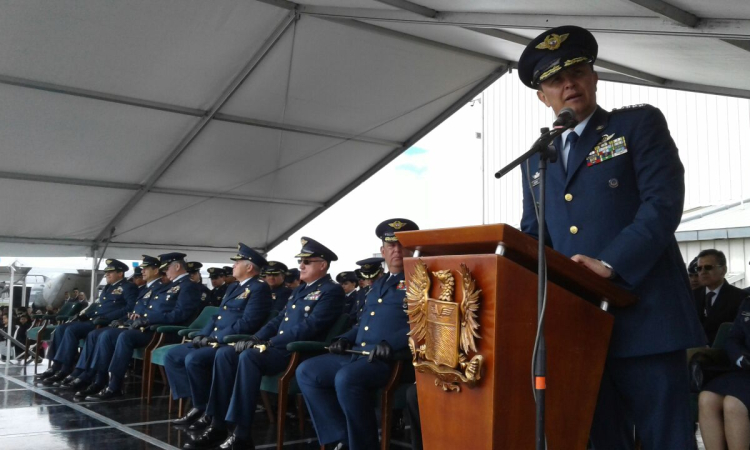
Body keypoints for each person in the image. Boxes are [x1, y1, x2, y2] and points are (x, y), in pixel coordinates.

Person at [517, 25, 705, 449]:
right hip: (580, 325)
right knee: (599, 439)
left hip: (646, 315)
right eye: (554, 80)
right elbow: (535, 236)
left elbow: (662, 203)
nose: (569, 84)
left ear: (594, 77)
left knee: (666, 438)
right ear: (541, 96)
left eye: (577, 71)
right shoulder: (537, 159)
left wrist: (611, 261)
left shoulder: (636, 125)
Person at [185, 237, 345, 450]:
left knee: (249, 357)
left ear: (323, 265)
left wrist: (269, 342)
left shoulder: (331, 291)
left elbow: (311, 327)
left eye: (307, 262)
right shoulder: (300, 290)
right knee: (225, 354)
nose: (301, 266)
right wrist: (255, 338)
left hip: (298, 351)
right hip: (277, 347)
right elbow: (278, 320)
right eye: (301, 261)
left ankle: (241, 435)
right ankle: (218, 424)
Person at [297, 219, 419, 450]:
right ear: (383, 251)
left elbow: (426, 324)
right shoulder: (378, 284)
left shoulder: (422, 280)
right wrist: (344, 338)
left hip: (391, 360)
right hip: (360, 353)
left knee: (347, 377)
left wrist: (391, 343)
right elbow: (364, 324)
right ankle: (342, 436)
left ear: (413, 248)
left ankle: (362, 445)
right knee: (308, 371)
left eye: (402, 244)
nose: (396, 250)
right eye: (390, 245)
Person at [166, 244, 272, 429]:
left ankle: (205, 409)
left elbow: (249, 322)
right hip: (214, 339)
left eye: (237, 262)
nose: (233, 266)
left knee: (194, 359)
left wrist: (218, 337)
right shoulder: (233, 288)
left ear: (249, 267)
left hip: (231, 343)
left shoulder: (259, 288)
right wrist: (202, 335)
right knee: (173, 356)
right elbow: (217, 316)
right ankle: (199, 404)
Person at [84, 252, 202, 401]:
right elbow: (153, 308)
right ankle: (99, 381)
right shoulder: (171, 285)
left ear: (177, 266)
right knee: (106, 334)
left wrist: (148, 319)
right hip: (148, 326)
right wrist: (137, 318)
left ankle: (115, 386)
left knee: (124, 336)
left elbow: (180, 314)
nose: (164, 272)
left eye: (166, 268)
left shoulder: (188, 286)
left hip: (164, 331)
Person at [57, 255, 165, 394]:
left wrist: (141, 320)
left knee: (107, 335)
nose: (142, 271)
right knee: (95, 334)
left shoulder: (160, 288)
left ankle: (113, 385)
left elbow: (153, 311)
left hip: (148, 330)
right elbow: (135, 311)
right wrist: (123, 321)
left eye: (146, 269)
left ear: (156, 270)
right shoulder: (144, 289)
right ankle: (93, 377)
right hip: (131, 325)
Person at [36, 259, 138, 385]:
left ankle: (66, 368)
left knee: (71, 330)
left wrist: (108, 317)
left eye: (110, 273)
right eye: (106, 273)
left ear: (120, 273)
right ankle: (56, 366)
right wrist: (85, 315)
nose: (106, 275)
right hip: (95, 319)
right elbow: (100, 307)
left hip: (106, 322)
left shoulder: (128, 287)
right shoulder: (107, 288)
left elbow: (130, 308)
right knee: (62, 328)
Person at [699, 298, 750, 449]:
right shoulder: (747, 302)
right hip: (744, 370)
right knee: (706, 398)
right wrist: (740, 358)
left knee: (733, 403)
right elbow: (733, 338)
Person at [694, 249, 746, 344]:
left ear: (723, 270)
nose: (703, 272)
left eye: (708, 267)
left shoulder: (740, 298)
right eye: (699, 268)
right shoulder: (691, 296)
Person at [349, 258, 385, 325]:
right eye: (367, 279)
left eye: (374, 278)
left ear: (381, 272)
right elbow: (354, 317)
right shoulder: (362, 292)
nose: (370, 282)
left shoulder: (388, 290)